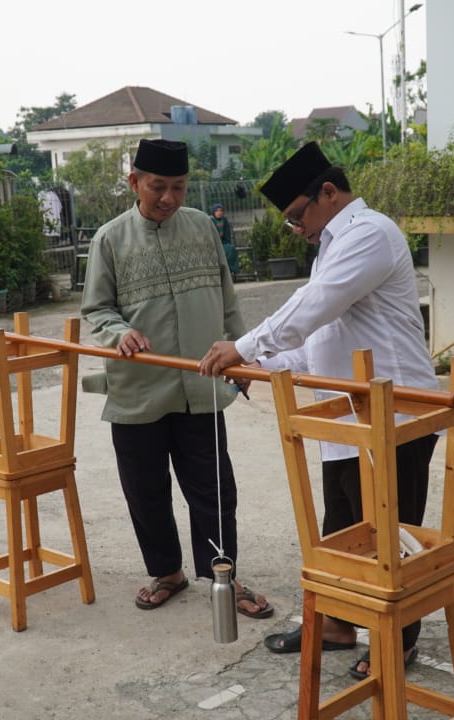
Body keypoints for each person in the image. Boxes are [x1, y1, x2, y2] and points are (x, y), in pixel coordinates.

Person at [198, 141, 437, 679]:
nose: (296, 230)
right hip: (345, 416)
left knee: (388, 539)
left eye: (296, 216)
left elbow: (314, 305)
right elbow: (320, 338)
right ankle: (336, 625)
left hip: (394, 417)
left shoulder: (369, 233)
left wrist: (247, 344)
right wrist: (261, 363)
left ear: (328, 192)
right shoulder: (333, 245)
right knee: (341, 533)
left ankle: (397, 642)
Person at [80, 138, 272, 619]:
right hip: (139, 388)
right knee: (145, 490)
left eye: (179, 187)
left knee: (213, 487)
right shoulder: (109, 239)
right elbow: (96, 308)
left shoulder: (203, 227)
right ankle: (167, 571)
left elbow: (227, 299)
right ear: (134, 182)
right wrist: (119, 332)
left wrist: (241, 353)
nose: (168, 197)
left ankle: (221, 575)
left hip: (201, 385)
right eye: (158, 186)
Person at [209, 203, 240, 275]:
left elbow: (227, 235)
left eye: (221, 211)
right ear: (213, 212)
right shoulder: (210, 220)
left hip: (223, 243)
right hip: (214, 244)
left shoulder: (224, 220)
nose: (219, 213)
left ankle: (231, 270)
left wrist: (227, 243)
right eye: (217, 211)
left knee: (230, 248)